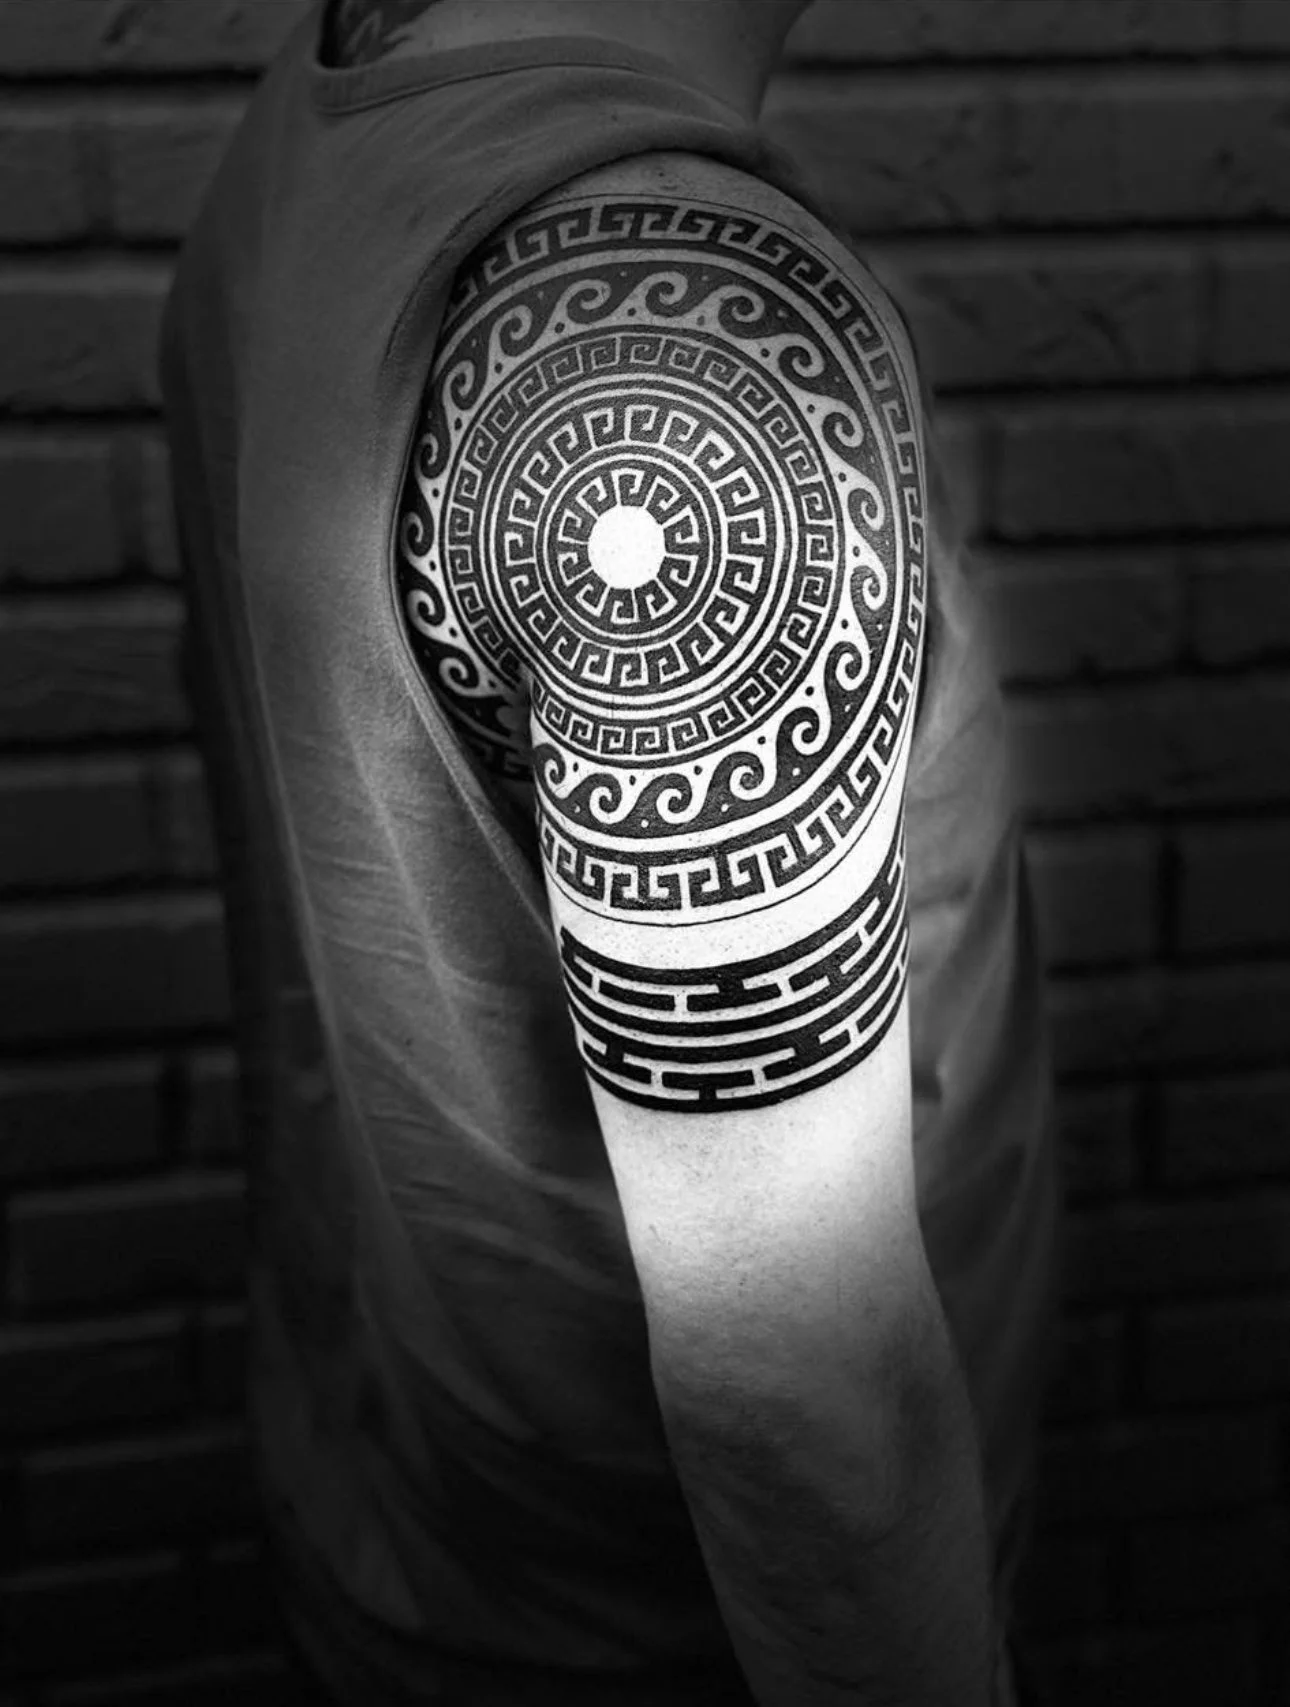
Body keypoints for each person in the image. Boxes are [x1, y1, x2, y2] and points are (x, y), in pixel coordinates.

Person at [160, 1, 1059, 1702]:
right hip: (692, 1635)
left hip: (401, 1520)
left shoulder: (328, 103)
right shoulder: (690, 334)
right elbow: (804, 1402)